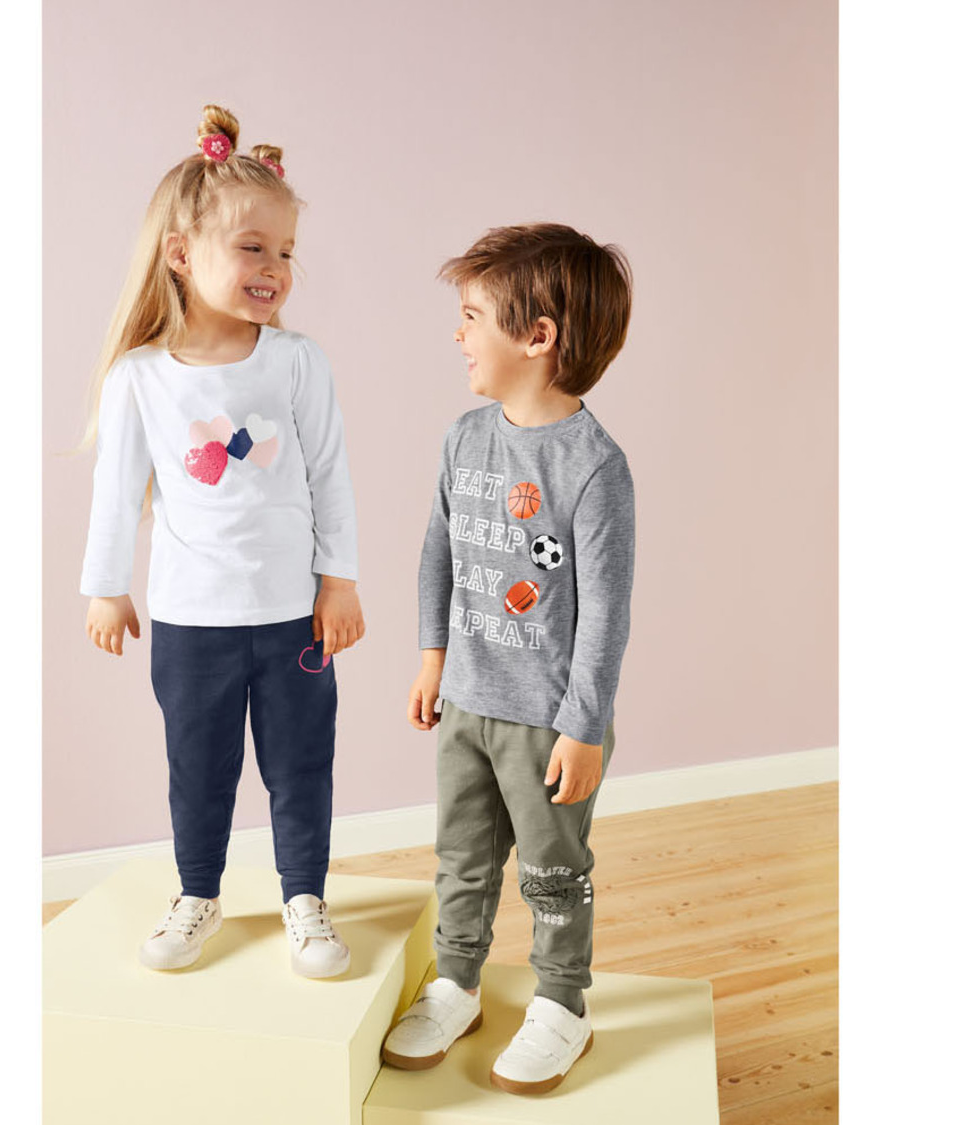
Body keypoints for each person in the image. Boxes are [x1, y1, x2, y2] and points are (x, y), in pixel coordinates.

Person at [78, 105, 364, 979]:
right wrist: (106, 586)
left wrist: (340, 580)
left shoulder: (298, 361)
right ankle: (197, 893)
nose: (274, 268)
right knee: (197, 768)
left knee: (300, 765)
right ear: (180, 253)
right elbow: (116, 489)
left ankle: (304, 898)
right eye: (252, 247)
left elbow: (330, 473)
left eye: (285, 252)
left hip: (292, 618)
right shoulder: (139, 378)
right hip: (190, 619)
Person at [382, 224, 635, 1093]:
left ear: (538, 337)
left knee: (553, 870)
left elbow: (605, 613)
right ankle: (456, 981)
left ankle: (563, 1002)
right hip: (466, 701)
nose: (457, 333)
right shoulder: (464, 439)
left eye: (472, 316)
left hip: (547, 721)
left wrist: (584, 727)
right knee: (461, 854)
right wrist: (432, 659)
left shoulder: (595, 469)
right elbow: (438, 553)